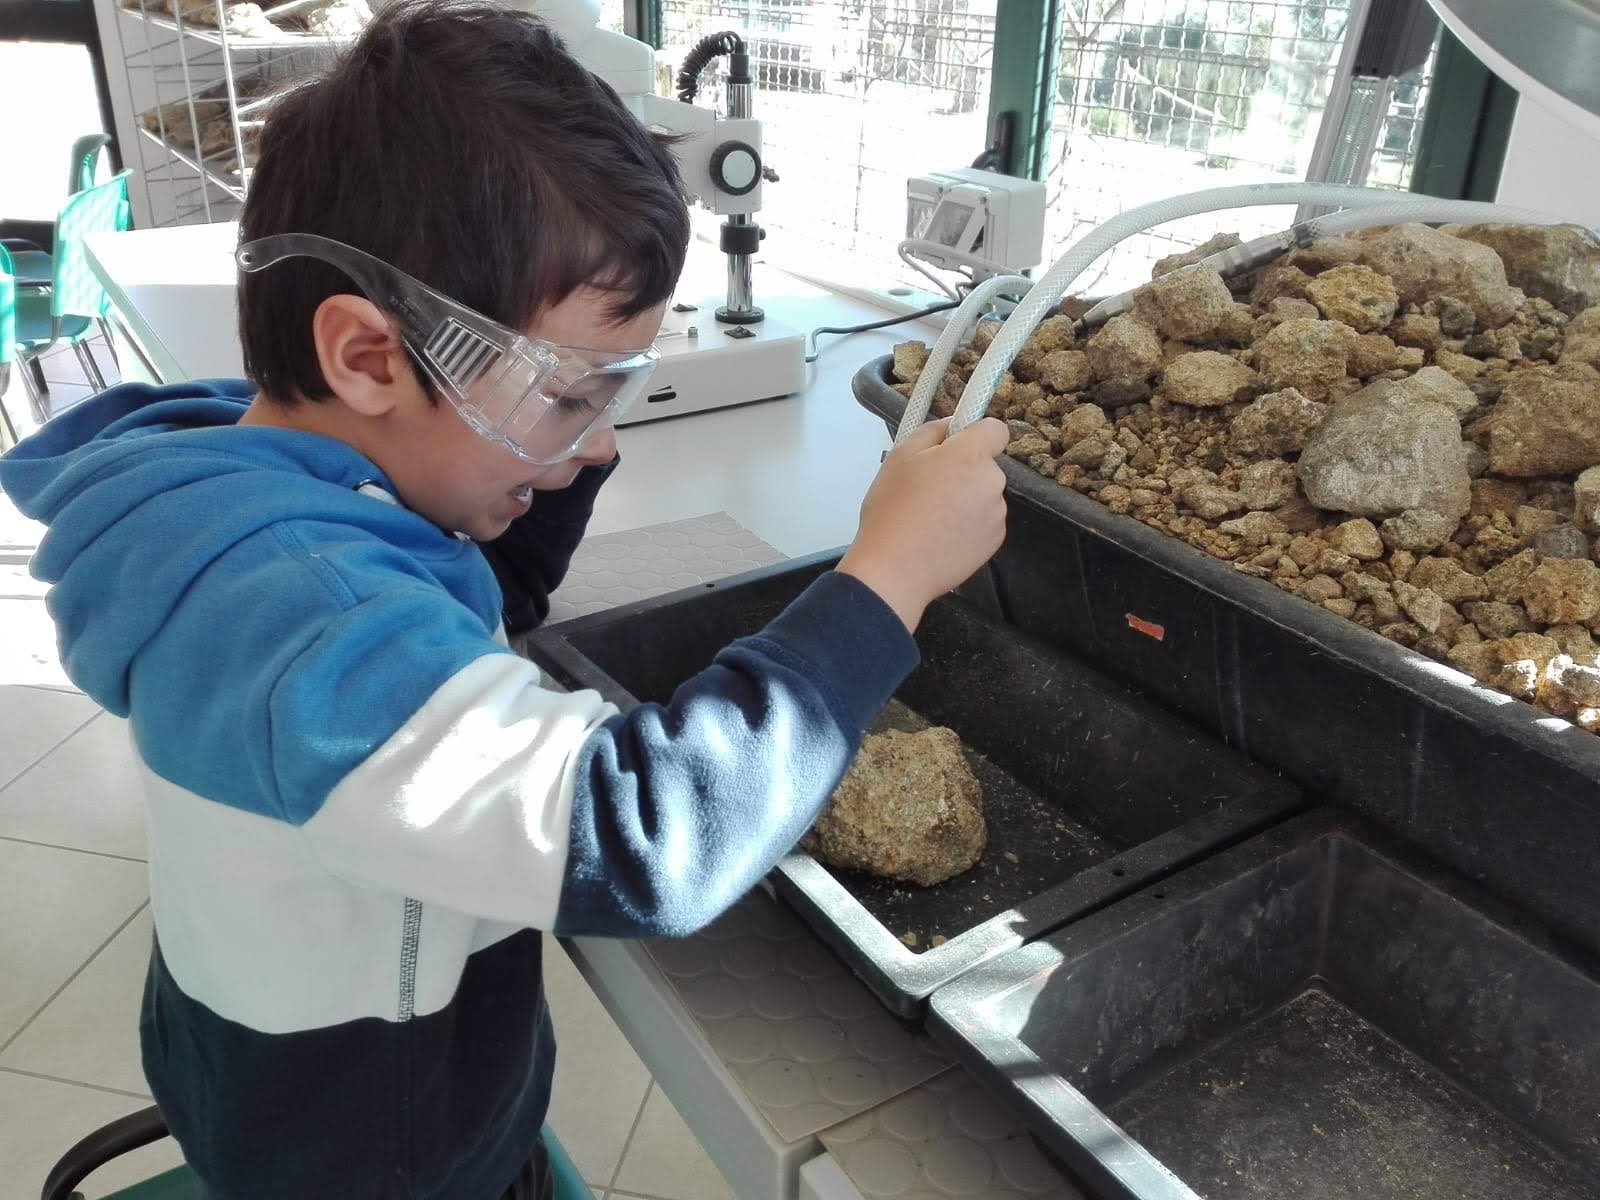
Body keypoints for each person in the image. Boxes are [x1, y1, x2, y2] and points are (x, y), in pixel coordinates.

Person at [0, 3, 1008, 1197]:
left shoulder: (256, 491)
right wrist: (884, 580)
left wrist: (545, 460)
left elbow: (447, 597)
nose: (597, 432)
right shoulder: (298, 611)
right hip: (371, 1161)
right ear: (370, 358)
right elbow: (639, 841)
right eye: (573, 391)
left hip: (286, 1074)